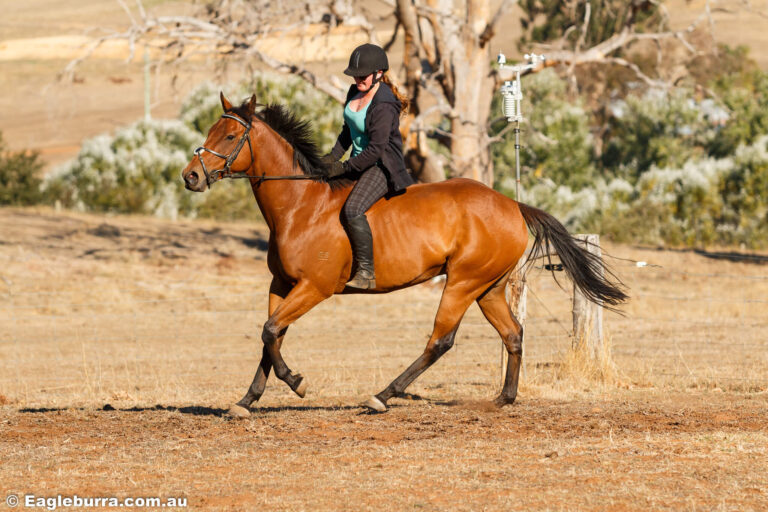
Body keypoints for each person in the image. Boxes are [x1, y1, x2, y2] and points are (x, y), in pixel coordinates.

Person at [324, 43, 415, 290]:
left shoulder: (384, 103)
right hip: (358, 162)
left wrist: (343, 168)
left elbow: (376, 149)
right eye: (354, 75)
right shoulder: (354, 91)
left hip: (382, 166)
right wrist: (331, 158)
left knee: (352, 209)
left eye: (362, 75)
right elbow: (348, 130)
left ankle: (366, 271)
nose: (357, 79)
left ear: (378, 74)